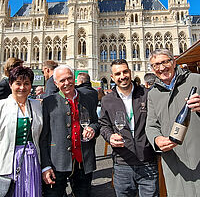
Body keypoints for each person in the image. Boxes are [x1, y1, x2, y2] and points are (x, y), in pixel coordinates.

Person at [99, 59, 159, 197]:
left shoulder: (147, 94)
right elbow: (104, 125)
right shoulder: (107, 100)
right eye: (118, 73)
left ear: (130, 73)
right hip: (122, 164)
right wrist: (110, 136)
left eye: (125, 72)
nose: (122, 76)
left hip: (148, 162)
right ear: (112, 77)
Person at [146, 48, 200, 196]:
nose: (161, 68)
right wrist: (157, 140)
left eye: (165, 62)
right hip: (174, 163)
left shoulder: (196, 80)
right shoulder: (153, 93)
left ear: (174, 61)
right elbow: (151, 125)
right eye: (156, 65)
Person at [39, 65, 100, 197]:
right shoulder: (49, 102)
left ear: (75, 79)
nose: (67, 83)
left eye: (69, 78)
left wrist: (93, 129)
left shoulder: (87, 99)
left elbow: (96, 122)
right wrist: (45, 165)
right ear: (55, 83)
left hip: (83, 162)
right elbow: (43, 138)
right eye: (62, 81)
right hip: (57, 163)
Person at [0, 66, 43, 196]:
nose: (22, 88)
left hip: (32, 160)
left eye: (26, 84)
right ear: (10, 84)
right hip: (9, 160)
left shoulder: (37, 105)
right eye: (18, 83)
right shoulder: (2, 106)